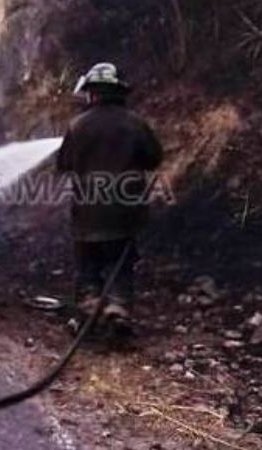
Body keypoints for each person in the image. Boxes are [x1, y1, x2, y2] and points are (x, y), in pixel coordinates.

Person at [57, 62, 163, 333]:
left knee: (88, 264)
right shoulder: (136, 123)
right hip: (125, 213)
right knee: (120, 263)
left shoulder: (77, 126)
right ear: (119, 92)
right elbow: (153, 158)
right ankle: (117, 308)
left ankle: (90, 307)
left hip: (87, 214)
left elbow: (64, 164)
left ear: (92, 93)